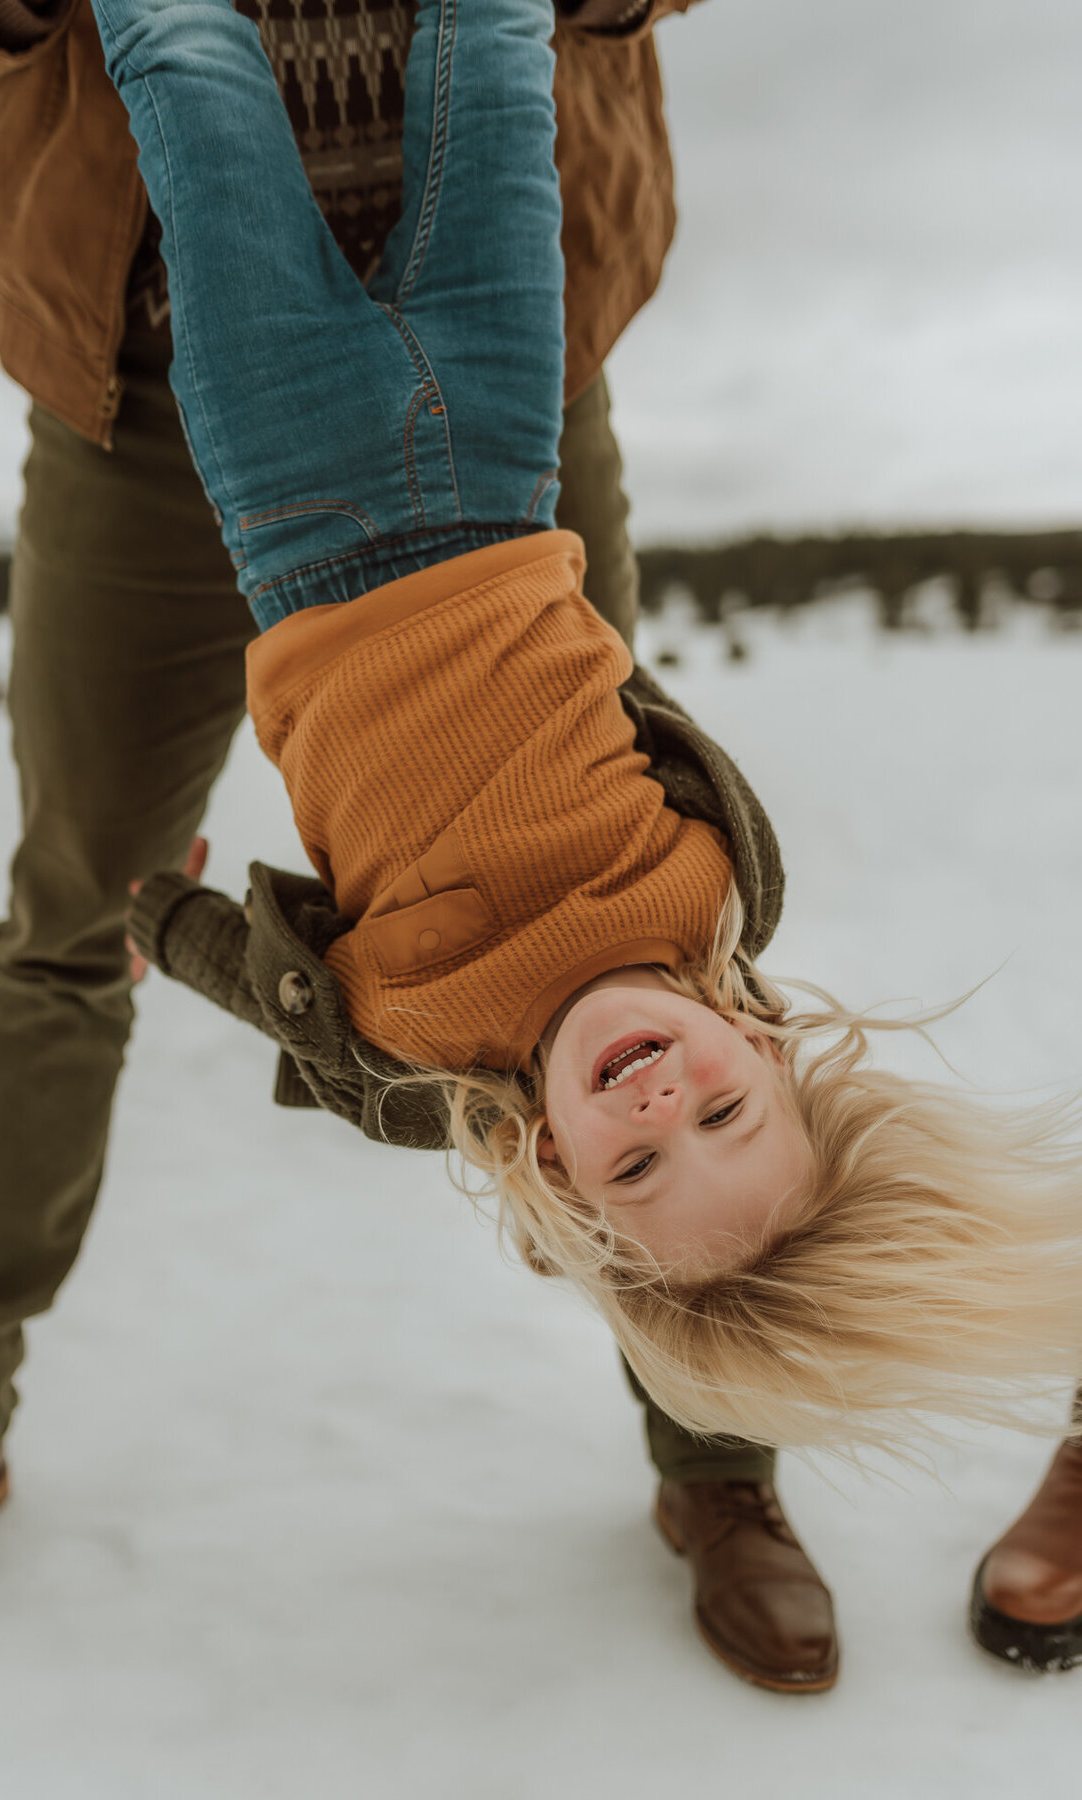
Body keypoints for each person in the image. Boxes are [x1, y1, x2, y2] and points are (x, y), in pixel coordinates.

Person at [96, 0, 1082, 1675]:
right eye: (722, 1109)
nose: (656, 1101)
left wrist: (162, 918)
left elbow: (270, 984)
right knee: (487, 48)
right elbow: (622, 699)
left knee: (191, 80)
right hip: (497, 449)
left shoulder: (415, 1047)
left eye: (637, 1159)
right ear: (763, 1040)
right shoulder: (718, 889)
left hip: (296, 492)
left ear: (554, 1168)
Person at [0, 0, 839, 1688]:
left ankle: (718, 1456)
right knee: (67, 918)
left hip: (516, 381)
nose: (651, 1112)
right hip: (152, 387)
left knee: (667, 975)